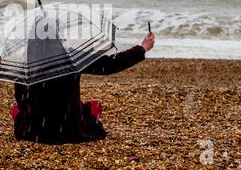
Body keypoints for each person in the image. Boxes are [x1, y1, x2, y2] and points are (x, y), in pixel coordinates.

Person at [10, 32, 155, 144]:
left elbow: (21, 100)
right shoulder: (71, 58)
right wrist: (142, 48)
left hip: (33, 132)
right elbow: (109, 64)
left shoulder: (24, 64)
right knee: (92, 107)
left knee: (18, 109)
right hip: (70, 130)